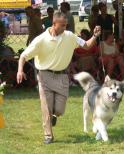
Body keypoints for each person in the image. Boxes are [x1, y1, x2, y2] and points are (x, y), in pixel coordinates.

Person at [16, 11, 101, 144]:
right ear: (54, 24)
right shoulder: (40, 40)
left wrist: (95, 36)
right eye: (62, 25)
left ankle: (55, 115)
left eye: (66, 25)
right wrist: (20, 70)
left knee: (60, 110)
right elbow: (23, 56)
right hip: (44, 76)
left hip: (62, 76)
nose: (65, 28)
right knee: (46, 107)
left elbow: (87, 45)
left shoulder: (69, 36)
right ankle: (48, 135)